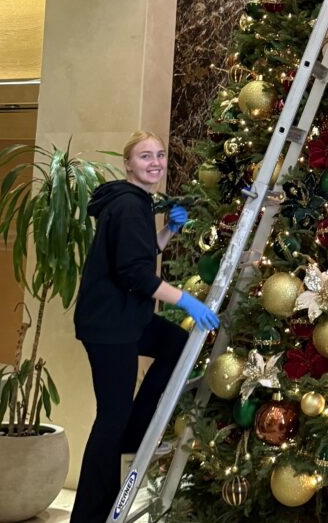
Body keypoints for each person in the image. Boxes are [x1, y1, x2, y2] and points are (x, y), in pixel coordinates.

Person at [70, 130, 219, 521]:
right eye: (145, 157)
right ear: (128, 165)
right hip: (110, 326)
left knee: (174, 344)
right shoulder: (129, 206)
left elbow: (136, 252)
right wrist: (187, 300)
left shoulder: (133, 202)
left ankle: (136, 434)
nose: (155, 163)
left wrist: (167, 231)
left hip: (128, 319)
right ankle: (89, 514)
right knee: (111, 416)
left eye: (159, 155)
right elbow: (135, 273)